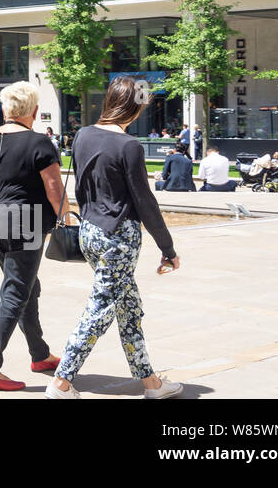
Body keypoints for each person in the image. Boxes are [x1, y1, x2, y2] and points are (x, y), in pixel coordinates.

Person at [48, 76, 182, 400]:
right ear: (134, 108)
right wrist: (168, 248)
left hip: (89, 232)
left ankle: (150, 383)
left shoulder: (82, 135)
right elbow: (145, 202)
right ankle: (62, 381)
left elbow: (80, 187)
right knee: (101, 308)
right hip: (118, 238)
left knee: (128, 307)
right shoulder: (129, 146)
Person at [0, 81, 66, 392]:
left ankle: (39, 355)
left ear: (5, 110)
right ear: (34, 111)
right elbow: (55, 190)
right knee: (15, 294)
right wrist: (65, 221)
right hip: (27, 224)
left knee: (26, 288)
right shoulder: (40, 143)